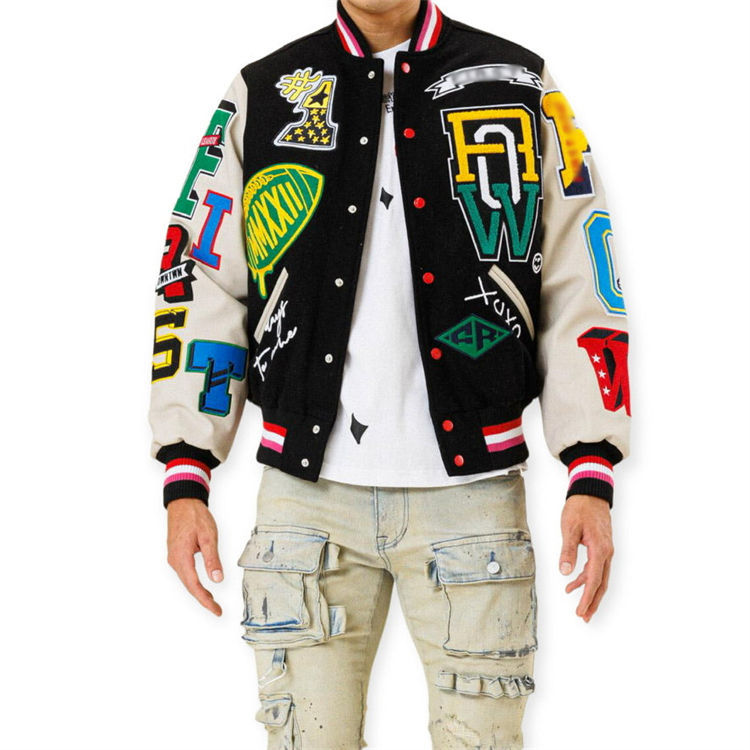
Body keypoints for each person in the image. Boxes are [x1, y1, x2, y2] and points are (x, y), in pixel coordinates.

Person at [148, 0, 631, 746]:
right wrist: (187, 472)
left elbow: (580, 277)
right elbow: (201, 278)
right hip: (305, 502)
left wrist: (590, 469)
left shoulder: (519, 85)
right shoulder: (265, 91)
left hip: (473, 500)